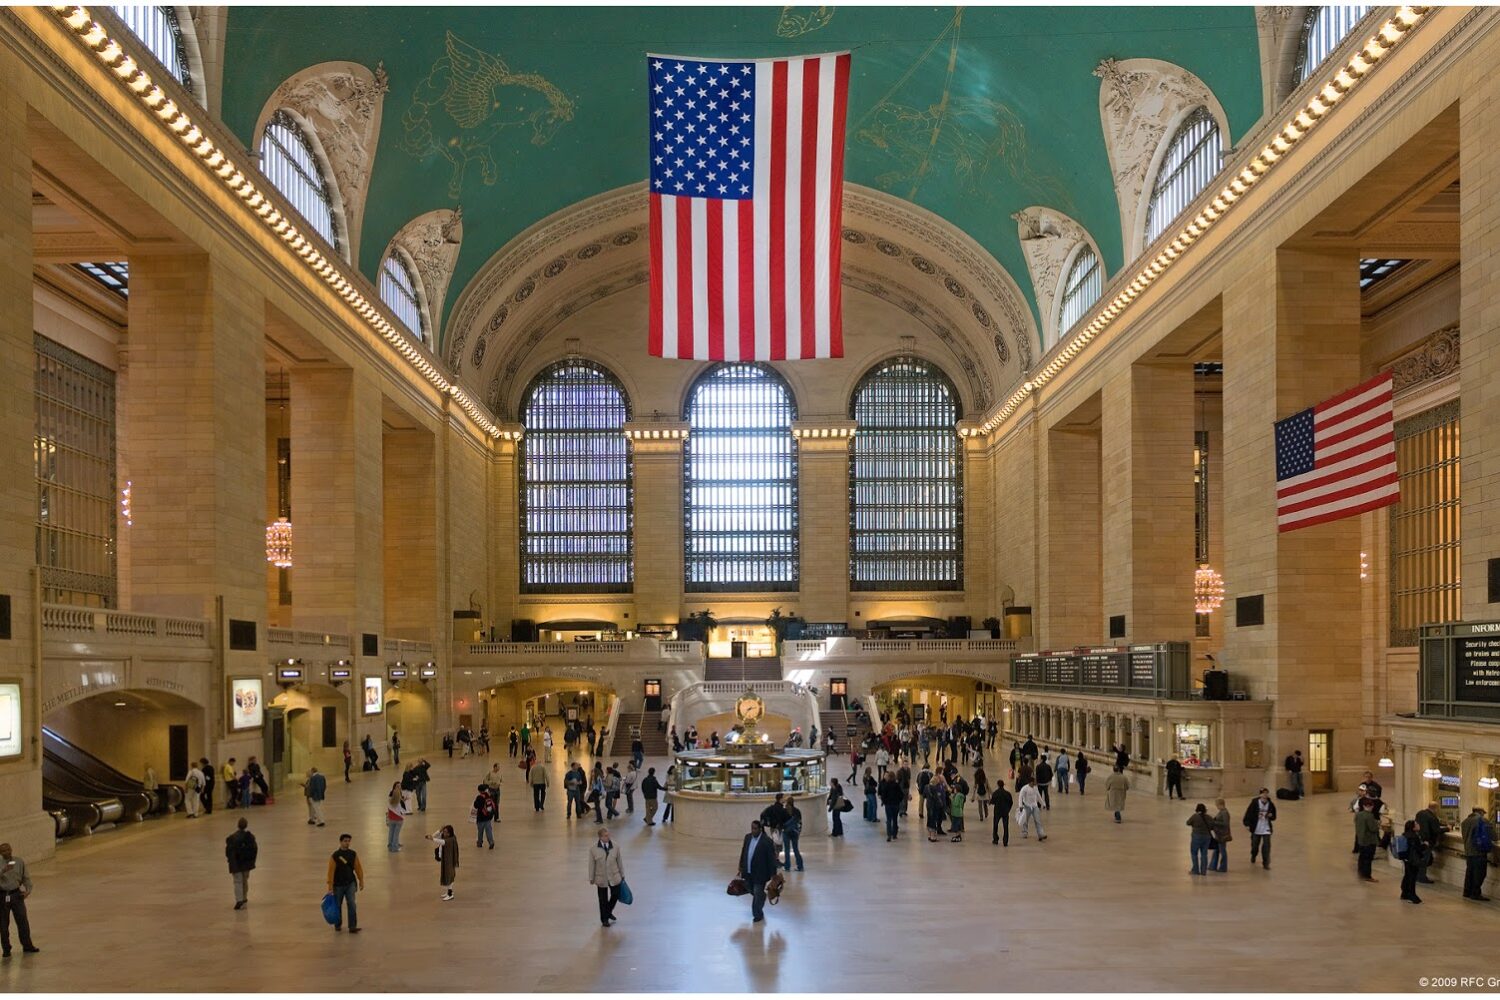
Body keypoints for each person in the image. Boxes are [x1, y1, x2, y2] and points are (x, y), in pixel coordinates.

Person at [0, 843, 40, 957]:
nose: (6, 852)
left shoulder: (19, 861)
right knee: (3, 924)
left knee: (23, 921)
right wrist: (3, 870)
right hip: (3, 896)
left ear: (11, 849)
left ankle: (27, 945)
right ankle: (6, 949)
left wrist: (28, 890)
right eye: (3, 851)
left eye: (8, 849)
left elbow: (25, 877)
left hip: (16, 895)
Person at [738, 820, 779, 923]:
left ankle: (757, 914)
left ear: (760, 829)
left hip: (760, 873)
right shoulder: (747, 838)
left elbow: (771, 859)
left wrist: (773, 874)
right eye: (752, 828)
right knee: (750, 888)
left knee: (757, 892)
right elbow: (744, 852)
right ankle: (761, 896)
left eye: (755, 828)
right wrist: (740, 866)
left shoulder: (767, 841)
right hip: (748, 871)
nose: (753, 830)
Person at [326, 833, 364, 932]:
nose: (347, 843)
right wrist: (330, 886)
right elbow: (331, 871)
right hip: (338, 885)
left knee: (352, 904)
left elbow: (358, 868)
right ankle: (337, 925)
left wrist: (361, 880)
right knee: (338, 905)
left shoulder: (353, 854)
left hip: (350, 883)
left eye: (348, 841)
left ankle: (352, 926)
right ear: (340, 842)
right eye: (345, 841)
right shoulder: (335, 856)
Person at [589, 827, 625, 927]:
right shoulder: (593, 849)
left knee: (615, 895)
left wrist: (622, 874)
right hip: (601, 878)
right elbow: (591, 864)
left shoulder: (616, 847)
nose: (608, 837)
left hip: (614, 876)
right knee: (602, 899)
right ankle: (604, 919)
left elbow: (619, 861)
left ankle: (608, 912)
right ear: (600, 837)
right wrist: (591, 878)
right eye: (605, 836)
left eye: (608, 835)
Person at [225, 816, 257, 911]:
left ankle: (239, 900)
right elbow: (255, 850)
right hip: (246, 864)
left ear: (238, 825)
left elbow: (228, 852)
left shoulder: (232, 838)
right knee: (244, 881)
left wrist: (230, 860)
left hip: (236, 864)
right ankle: (244, 897)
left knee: (237, 881)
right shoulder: (250, 838)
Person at [1460, 806, 1493, 901]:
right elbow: (1493, 835)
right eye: (1483, 812)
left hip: (1468, 851)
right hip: (1479, 851)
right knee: (1480, 873)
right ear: (1480, 812)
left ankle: (1467, 892)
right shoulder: (1482, 820)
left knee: (1469, 872)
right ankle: (1475, 893)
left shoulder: (1465, 821)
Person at [1242, 788, 1277, 869]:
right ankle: (1253, 855)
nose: (1265, 795)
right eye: (1263, 793)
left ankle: (1266, 863)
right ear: (1260, 795)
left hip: (1266, 828)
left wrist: (1271, 816)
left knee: (1266, 846)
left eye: (1266, 793)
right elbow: (1248, 814)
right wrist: (1247, 824)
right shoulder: (1254, 803)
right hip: (1256, 828)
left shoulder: (1271, 804)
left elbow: (1274, 816)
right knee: (1255, 845)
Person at [1414, 802, 1447, 885]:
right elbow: (1436, 830)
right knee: (1425, 859)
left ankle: (1418, 875)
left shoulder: (1420, 813)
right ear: (1435, 808)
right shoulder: (1432, 817)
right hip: (1428, 841)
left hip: (1419, 839)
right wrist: (1447, 829)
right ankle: (1422, 877)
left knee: (1421, 858)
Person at [1397, 819, 1428, 905]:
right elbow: (1418, 849)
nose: (1419, 825)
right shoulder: (1414, 837)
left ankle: (1405, 893)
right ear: (1413, 827)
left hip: (1406, 859)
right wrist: (1425, 845)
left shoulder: (1405, 835)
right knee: (1412, 877)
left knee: (1407, 875)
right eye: (1417, 824)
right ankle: (1412, 896)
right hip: (1413, 859)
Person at [427, 825, 459, 900]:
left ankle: (450, 894)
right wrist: (439, 831)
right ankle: (449, 891)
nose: (444, 833)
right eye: (443, 832)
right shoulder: (448, 836)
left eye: (445, 832)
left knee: (449, 875)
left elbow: (440, 841)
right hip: (446, 859)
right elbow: (434, 836)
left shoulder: (450, 840)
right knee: (448, 875)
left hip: (449, 860)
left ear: (449, 833)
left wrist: (432, 838)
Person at [1354, 797, 1381, 882]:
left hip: (1361, 839)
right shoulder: (1369, 816)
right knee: (1368, 859)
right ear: (1370, 806)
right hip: (1369, 840)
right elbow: (1373, 828)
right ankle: (1367, 876)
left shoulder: (1358, 814)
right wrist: (1377, 824)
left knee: (1362, 857)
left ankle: (1361, 873)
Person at [1187, 803, 1213, 875]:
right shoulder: (1208, 817)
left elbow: (1188, 823)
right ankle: (1203, 871)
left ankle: (1195, 870)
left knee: (1194, 853)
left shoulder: (1195, 816)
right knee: (1204, 854)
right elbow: (1212, 825)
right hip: (1206, 837)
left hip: (1196, 836)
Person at [1209, 798, 1233, 873]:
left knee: (1222, 851)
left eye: (1217, 805)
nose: (1216, 806)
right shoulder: (1221, 812)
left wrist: (1215, 822)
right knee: (1216, 850)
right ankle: (1213, 866)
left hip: (1222, 835)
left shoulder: (1225, 813)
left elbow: (1226, 824)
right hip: (1218, 834)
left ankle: (1223, 867)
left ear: (1220, 804)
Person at [878, 772, 903, 841]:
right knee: (895, 819)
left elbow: (883, 795)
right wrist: (899, 801)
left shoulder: (886, 785)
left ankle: (889, 835)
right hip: (896, 804)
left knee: (888, 820)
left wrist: (885, 802)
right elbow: (901, 794)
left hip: (888, 805)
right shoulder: (897, 785)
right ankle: (894, 835)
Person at [990, 778, 1014, 847]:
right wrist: (1008, 809)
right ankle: (1005, 841)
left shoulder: (995, 793)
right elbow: (1011, 802)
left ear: (998, 785)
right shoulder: (1007, 793)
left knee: (995, 825)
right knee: (1005, 826)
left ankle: (995, 839)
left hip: (997, 811)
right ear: (1003, 785)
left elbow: (992, 801)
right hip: (1005, 811)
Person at [782, 802, 805, 871]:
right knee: (796, 849)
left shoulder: (784, 812)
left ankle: (787, 867)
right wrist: (799, 831)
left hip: (786, 832)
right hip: (795, 832)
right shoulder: (797, 811)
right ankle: (800, 866)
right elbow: (800, 822)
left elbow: (781, 822)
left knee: (787, 850)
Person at [473, 785, 497, 849]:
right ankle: (491, 842)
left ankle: (479, 843)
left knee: (480, 832)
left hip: (480, 818)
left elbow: (476, 805)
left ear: (479, 791)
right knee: (489, 831)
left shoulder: (479, 797)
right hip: (488, 817)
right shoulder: (489, 796)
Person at [386, 782, 406, 852]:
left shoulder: (389, 801)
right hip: (399, 820)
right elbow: (403, 811)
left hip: (391, 819)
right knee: (396, 834)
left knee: (391, 833)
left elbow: (388, 810)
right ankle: (395, 848)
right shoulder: (400, 802)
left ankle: (390, 846)